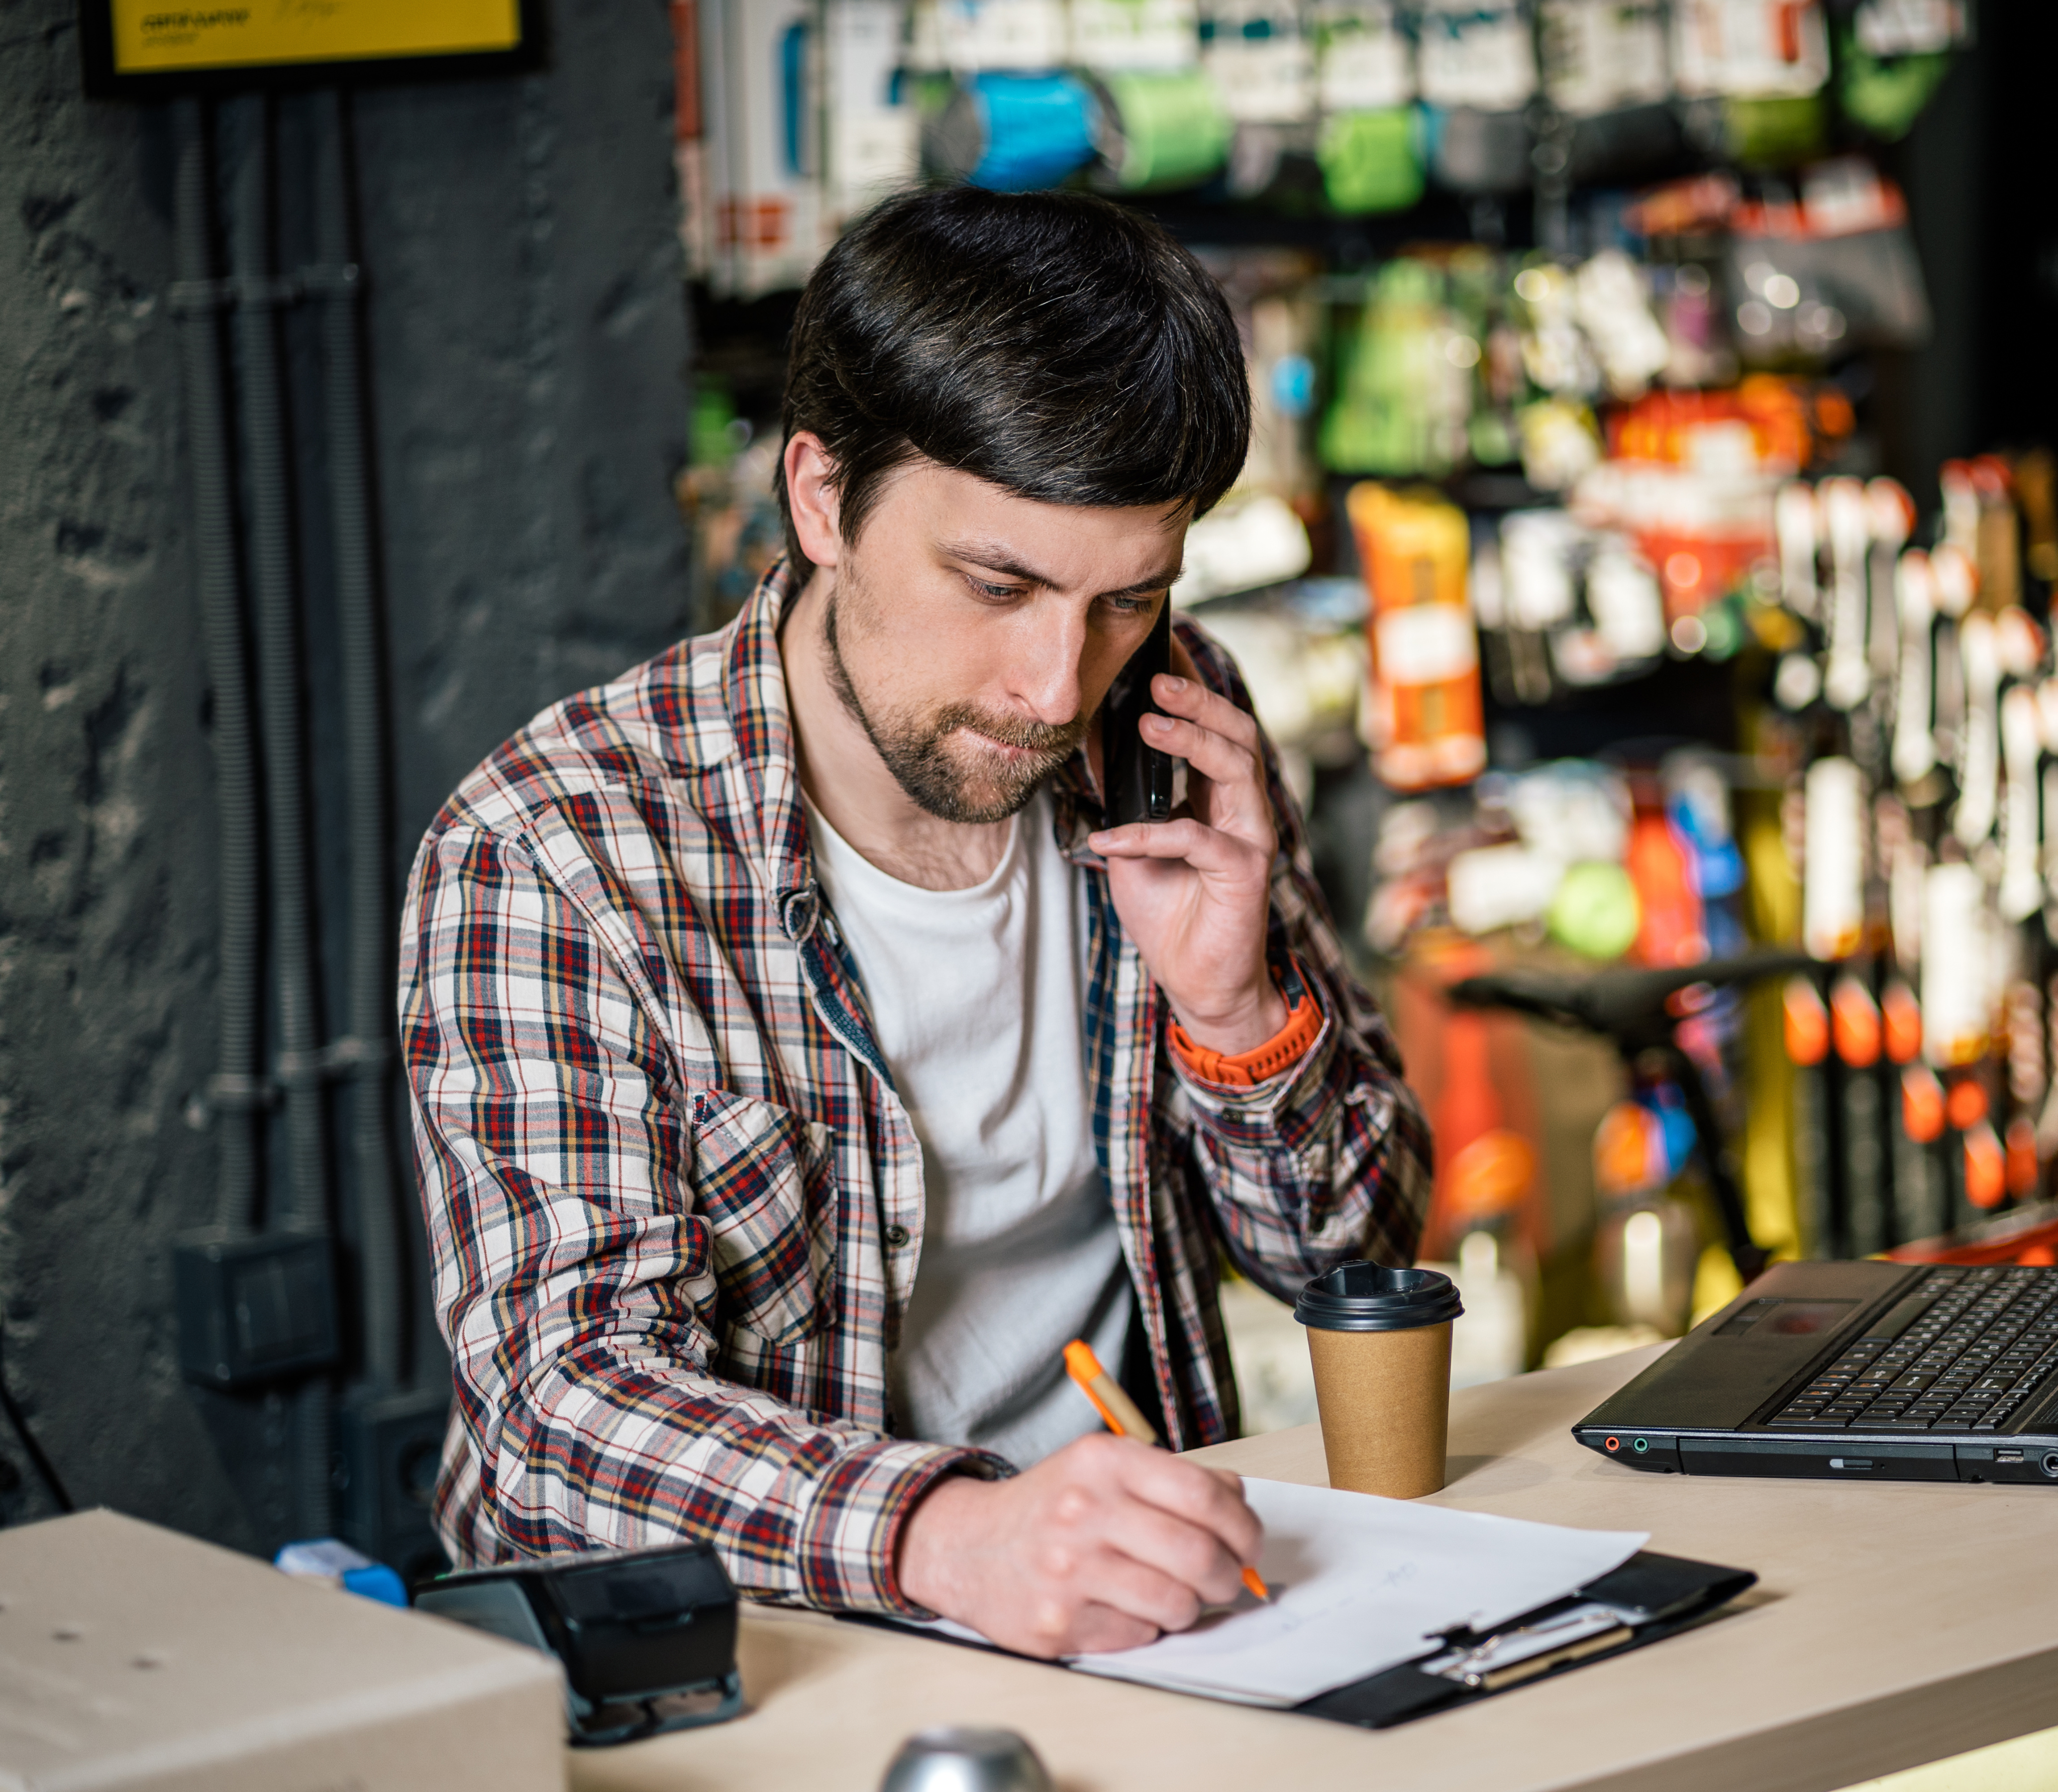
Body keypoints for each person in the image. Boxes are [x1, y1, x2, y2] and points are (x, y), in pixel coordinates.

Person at [401, 187, 1431, 1660]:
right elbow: (560, 1412)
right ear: (821, 497)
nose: (1053, 684)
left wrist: (1236, 1012)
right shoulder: (558, 854)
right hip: (745, 1671)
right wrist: (953, 1536)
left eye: (1124, 599)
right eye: (996, 583)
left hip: (1148, 1632)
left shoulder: (1166, 722)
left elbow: (1364, 1255)